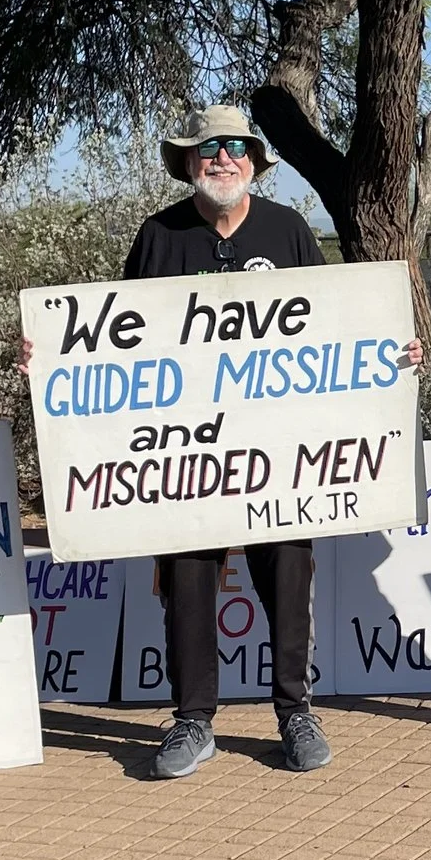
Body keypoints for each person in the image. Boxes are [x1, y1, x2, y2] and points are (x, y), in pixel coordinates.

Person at [125, 106, 333, 780]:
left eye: (236, 147)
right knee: (186, 573)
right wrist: (50, 356)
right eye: (208, 148)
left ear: (254, 160)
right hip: (186, 450)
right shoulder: (158, 236)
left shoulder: (289, 229)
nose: (223, 158)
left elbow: (338, 326)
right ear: (189, 161)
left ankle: (296, 711)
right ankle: (192, 719)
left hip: (279, 448)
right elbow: (111, 339)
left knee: (288, 568)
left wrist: (393, 351)